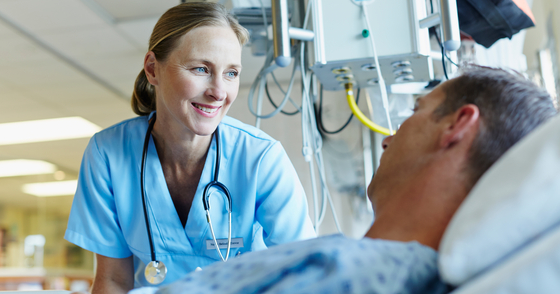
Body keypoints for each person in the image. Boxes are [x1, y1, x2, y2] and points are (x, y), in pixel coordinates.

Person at [138, 66, 557, 294]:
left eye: (416, 110)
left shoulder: (360, 274)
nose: (390, 136)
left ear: (457, 127)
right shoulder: (359, 262)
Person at [64, 2, 316, 292]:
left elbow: (306, 274)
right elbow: (112, 280)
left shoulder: (259, 158)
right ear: (152, 69)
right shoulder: (108, 154)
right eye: (201, 68)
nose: (219, 92)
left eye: (231, 73)